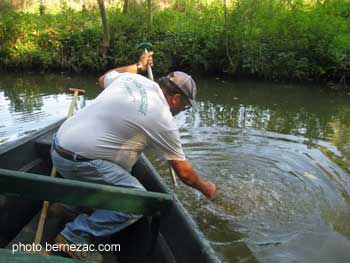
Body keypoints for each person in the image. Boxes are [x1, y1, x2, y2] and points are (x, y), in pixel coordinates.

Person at [51, 52, 217, 261]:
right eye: (184, 106)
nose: (182, 111)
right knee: (137, 202)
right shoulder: (163, 118)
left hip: (57, 148)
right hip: (77, 162)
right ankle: (75, 236)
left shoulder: (134, 79)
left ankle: (70, 205)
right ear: (175, 99)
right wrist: (206, 188)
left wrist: (137, 66)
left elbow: (104, 78)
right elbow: (184, 173)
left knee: (127, 159)